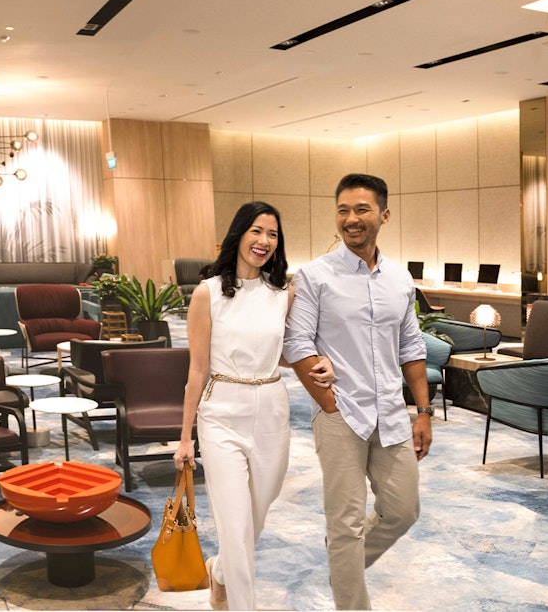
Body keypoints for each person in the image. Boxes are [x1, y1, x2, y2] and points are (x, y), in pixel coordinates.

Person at [174, 201, 334, 611]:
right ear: (239, 234)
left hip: (271, 408)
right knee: (235, 523)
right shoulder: (208, 292)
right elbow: (197, 369)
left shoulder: (283, 293)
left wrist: (319, 360)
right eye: (257, 231)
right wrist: (185, 437)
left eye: (273, 234)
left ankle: (220, 572)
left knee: (256, 516)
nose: (264, 241)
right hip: (221, 412)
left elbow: (284, 352)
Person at [284, 173, 432, 610]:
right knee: (345, 523)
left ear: (384, 215)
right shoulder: (315, 276)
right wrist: (328, 404)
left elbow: (411, 347)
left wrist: (423, 412)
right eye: (343, 210)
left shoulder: (400, 279)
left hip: (391, 413)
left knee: (403, 510)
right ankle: (351, 597)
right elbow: (296, 342)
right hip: (341, 414)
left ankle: (342, 564)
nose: (351, 218)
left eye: (362, 209)